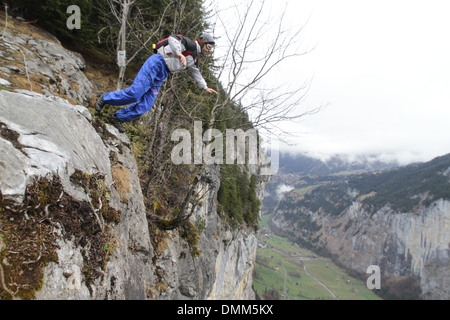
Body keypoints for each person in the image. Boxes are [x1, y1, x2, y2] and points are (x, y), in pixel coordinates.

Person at [95, 33, 218, 133]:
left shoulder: (195, 58)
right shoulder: (190, 44)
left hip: (163, 74)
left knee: (146, 105)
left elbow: (196, 73)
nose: (209, 51)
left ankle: (117, 118)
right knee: (135, 93)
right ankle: (105, 99)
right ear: (202, 41)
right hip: (157, 63)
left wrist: (205, 87)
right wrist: (179, 53)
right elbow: (173, 38)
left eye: (211, 49)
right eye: (208, 47)